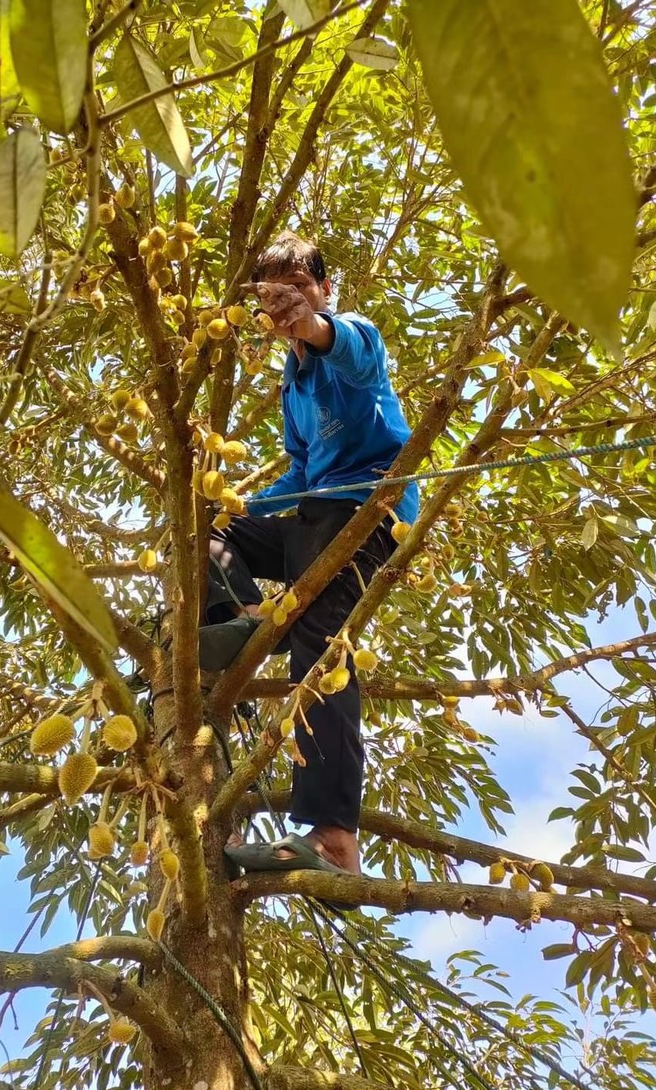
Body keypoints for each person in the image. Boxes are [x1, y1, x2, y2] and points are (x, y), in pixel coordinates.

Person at [199, 232, 418, 886]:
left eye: (299, 288)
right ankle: (242, 621)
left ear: (325, 289)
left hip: (365, 516)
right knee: (206, 532)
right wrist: (238, 507)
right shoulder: (293, 387)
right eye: (272, 298)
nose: (285, 306)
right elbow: (298, 472)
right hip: (314, 517)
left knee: (320, 648)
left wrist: (315, 324)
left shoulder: (353, 336)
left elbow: (348, 354)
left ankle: (334, 839)